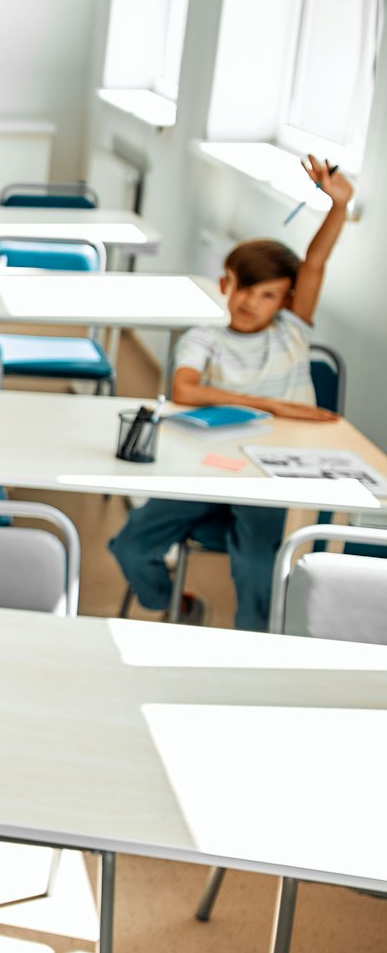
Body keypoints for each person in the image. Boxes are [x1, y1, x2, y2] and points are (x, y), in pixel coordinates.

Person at [109, 156, 353, 631]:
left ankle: (253, 644)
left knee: (255, 567)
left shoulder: (293, 331)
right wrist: (273, 405)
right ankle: (176, 605)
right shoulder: (204, 338)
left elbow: (316, 262)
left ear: (286, 300)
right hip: (204, 471)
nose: (251, 303)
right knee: (130, 546)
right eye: (245, 289)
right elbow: (184, 387)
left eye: (268, 295)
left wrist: (337, 206)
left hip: (267, 477)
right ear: (226, 284)